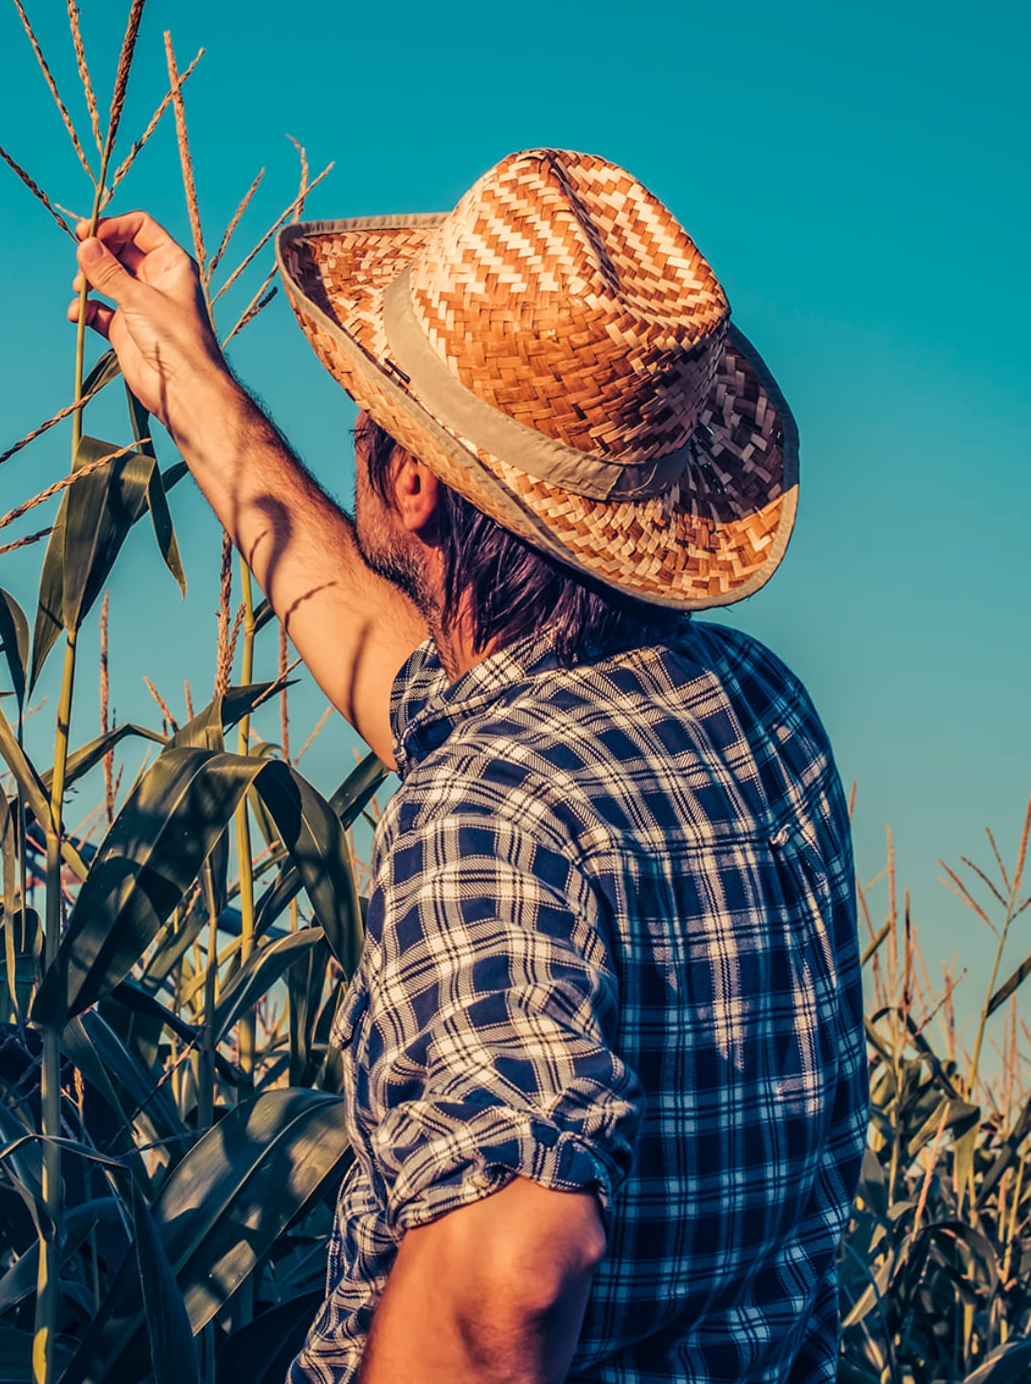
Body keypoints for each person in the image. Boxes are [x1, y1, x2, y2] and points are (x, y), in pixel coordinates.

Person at [66, 150, 868, 1384]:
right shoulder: (755, 708)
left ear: (415, 481)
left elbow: (515, 1268)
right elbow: (406, 674)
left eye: (371, 409)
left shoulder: (490, 802)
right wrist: (191, 384)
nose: (355, 424)